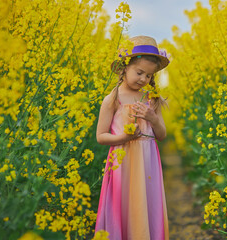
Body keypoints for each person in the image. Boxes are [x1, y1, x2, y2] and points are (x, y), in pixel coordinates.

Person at [94, 36, 170, 240]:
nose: (144, 79)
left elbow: (162, 135)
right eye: (139, 73)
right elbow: (101, 137)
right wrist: (124, 137)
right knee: (125, 206)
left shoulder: (151, 98)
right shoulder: (113, 98)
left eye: (149, 75)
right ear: (123, 69)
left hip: (148, 164)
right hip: (122, 164)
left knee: (147, 205)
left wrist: (153, 119)